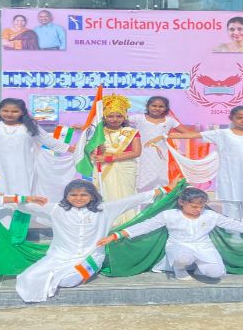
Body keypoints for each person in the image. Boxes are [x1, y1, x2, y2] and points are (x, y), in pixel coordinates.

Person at [14, 178, 172, 302]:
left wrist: (166, 189)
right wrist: (14, 197)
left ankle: (91, 270)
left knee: (67, 281)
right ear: (66, 196)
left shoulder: (106, 209)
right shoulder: (55, 209)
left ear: (92, 196)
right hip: (59, 256)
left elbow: (135, 199)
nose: (78, 198)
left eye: (83, 195)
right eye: (73, 195)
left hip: (92, 257)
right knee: (28, 278)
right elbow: (19, 205)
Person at [98, 186, 243, 281]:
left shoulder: (210, 216)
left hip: (203, 247)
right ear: (182, 202)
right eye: (194, 206)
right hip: (178, 246)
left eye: (201, 206)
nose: (198, 210)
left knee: (216, 274)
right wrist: (116, 235)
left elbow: (236, 225)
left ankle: (198, 267)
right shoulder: (169, 215)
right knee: (183, 258)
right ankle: (180, 271)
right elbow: (145, 226)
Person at [92, 94, 141, 226]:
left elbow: (136, 152)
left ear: (125, 117)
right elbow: (92, 152)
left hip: (125, 168)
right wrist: (95, 153)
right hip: (104, 168)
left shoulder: (131, 132)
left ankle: (128, 224)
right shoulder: (98, 132)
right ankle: (109, 224)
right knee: (106, 194)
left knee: (127, 195)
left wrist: (109, 158)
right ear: (104, 116)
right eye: (110, 116)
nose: (115, 119)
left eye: (119, 116)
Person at [128, 96, 189, 192]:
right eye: (154, 106)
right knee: (140, 178)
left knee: (160, 179)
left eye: (161, 106)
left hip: (160, 156)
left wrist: (166, 136)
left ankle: (158, 199)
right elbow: (117, 121)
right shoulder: (138, 118)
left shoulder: (170, 121)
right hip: (141, 155)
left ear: (166, 108)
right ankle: (140, 200)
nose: (157, 108)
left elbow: (188, 134)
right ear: (148, 106)